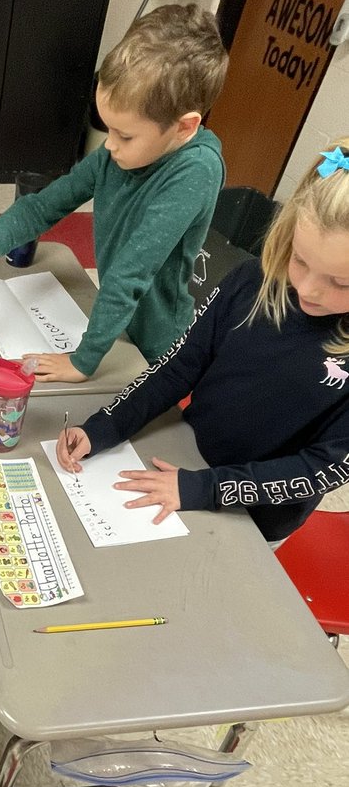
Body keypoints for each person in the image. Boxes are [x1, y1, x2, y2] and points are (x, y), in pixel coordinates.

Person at [55, 144, 349, 544]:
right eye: (299, 260)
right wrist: (105, 426)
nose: (308, 289)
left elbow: (322, 468)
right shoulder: (250, 281)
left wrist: (205, 489)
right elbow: (179, 365)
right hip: (182, 456)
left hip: (253, 518)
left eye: (340, 282)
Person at [0, 4, 228, 383]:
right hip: (114, 319)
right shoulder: (119, 156)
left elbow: (129, 275)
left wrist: (82, 362)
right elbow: (43, 207)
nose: (109, 146)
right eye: (108, 129)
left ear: (184, 127)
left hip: (155, 344)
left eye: (125, 135)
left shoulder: (196, 171)